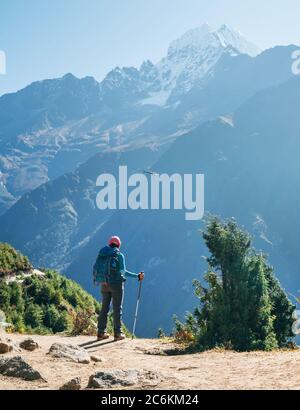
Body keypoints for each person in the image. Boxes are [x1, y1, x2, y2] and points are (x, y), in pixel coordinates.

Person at [93, 235, 144, 341]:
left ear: (109, 244)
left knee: (104, 308)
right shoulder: (119, 255)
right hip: (116, 285)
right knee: (117, 308)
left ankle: (100, 332)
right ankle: (117, 333)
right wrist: (137, 276)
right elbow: (123, 272)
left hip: (104, 283)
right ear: (119, 245)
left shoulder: (103, 255)